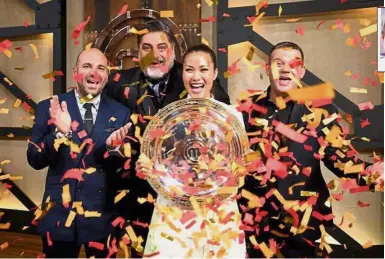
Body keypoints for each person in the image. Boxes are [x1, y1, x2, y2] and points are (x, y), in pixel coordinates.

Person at [239, 41, 383, 258]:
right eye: (279, 63)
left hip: (305, 224)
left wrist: (373, 174)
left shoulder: (321, 111)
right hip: (258, 227)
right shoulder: (247, 110)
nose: (286, 69)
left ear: (302, 71)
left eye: (293, 64)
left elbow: (340, 160)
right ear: (267, 69)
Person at [104, 20, 231, 254]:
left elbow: (221, 121)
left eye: (162, 47)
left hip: (180, 203)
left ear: (172, 49)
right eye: (147, 47)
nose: (155, 54)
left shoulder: (193, 77)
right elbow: (107, 136)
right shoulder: (117, 84)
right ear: (138, 52)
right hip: (133, 197)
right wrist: (121, 155)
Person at [140, 44, 247, 258]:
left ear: (215, 73)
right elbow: (153, 161)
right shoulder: (166, 116)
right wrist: (145, 167)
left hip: (218, 212)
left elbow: (239, 168)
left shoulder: (232, 116)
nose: (196, 76)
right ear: (182, 74)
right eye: (189, 69)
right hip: (173, 213)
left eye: (203, 69)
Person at [27, 48, 133, 258]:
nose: (94, 73)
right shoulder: (49, 107)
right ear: (75, 72)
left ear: (107, 75)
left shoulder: (121, 113)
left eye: (100, 68)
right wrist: (58, 134)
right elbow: (34, 159)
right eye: (87, 66)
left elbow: (123, 172)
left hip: (102, 218)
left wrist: (114, 150)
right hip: (58, 216)